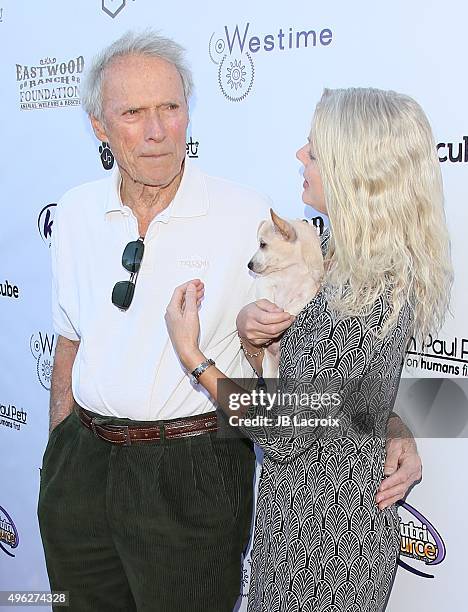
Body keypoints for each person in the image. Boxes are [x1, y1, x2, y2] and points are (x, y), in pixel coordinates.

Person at [37, 26, 421, 611]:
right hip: (82, 468)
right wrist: (58, 456)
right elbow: (69, 339)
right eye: (135, 113)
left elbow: (336, 368)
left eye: (171, 107)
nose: (159, 131)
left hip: (194, 473)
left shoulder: (252, 218)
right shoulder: (73, 211)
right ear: (99, 126)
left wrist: (397, 427)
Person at [165, 87, 452, 611]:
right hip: (328, 532)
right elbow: (345, 395)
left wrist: (194, 358)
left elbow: (282, 431)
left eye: (314, 151)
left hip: (318, 555)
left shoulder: (356, 291)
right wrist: (260, 343)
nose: (300, 157)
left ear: (354, 170)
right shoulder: (368, 268)